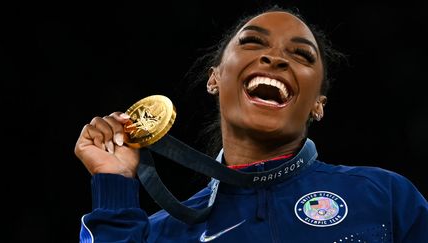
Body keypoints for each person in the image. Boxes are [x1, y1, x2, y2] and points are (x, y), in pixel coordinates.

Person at [74, 5, 428, 243]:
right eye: (253, 42)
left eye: (301, 55)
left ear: (318, 105)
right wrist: (114, 187)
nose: (274, 58)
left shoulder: (386, 197)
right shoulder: (165, 233)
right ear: (215, 79)